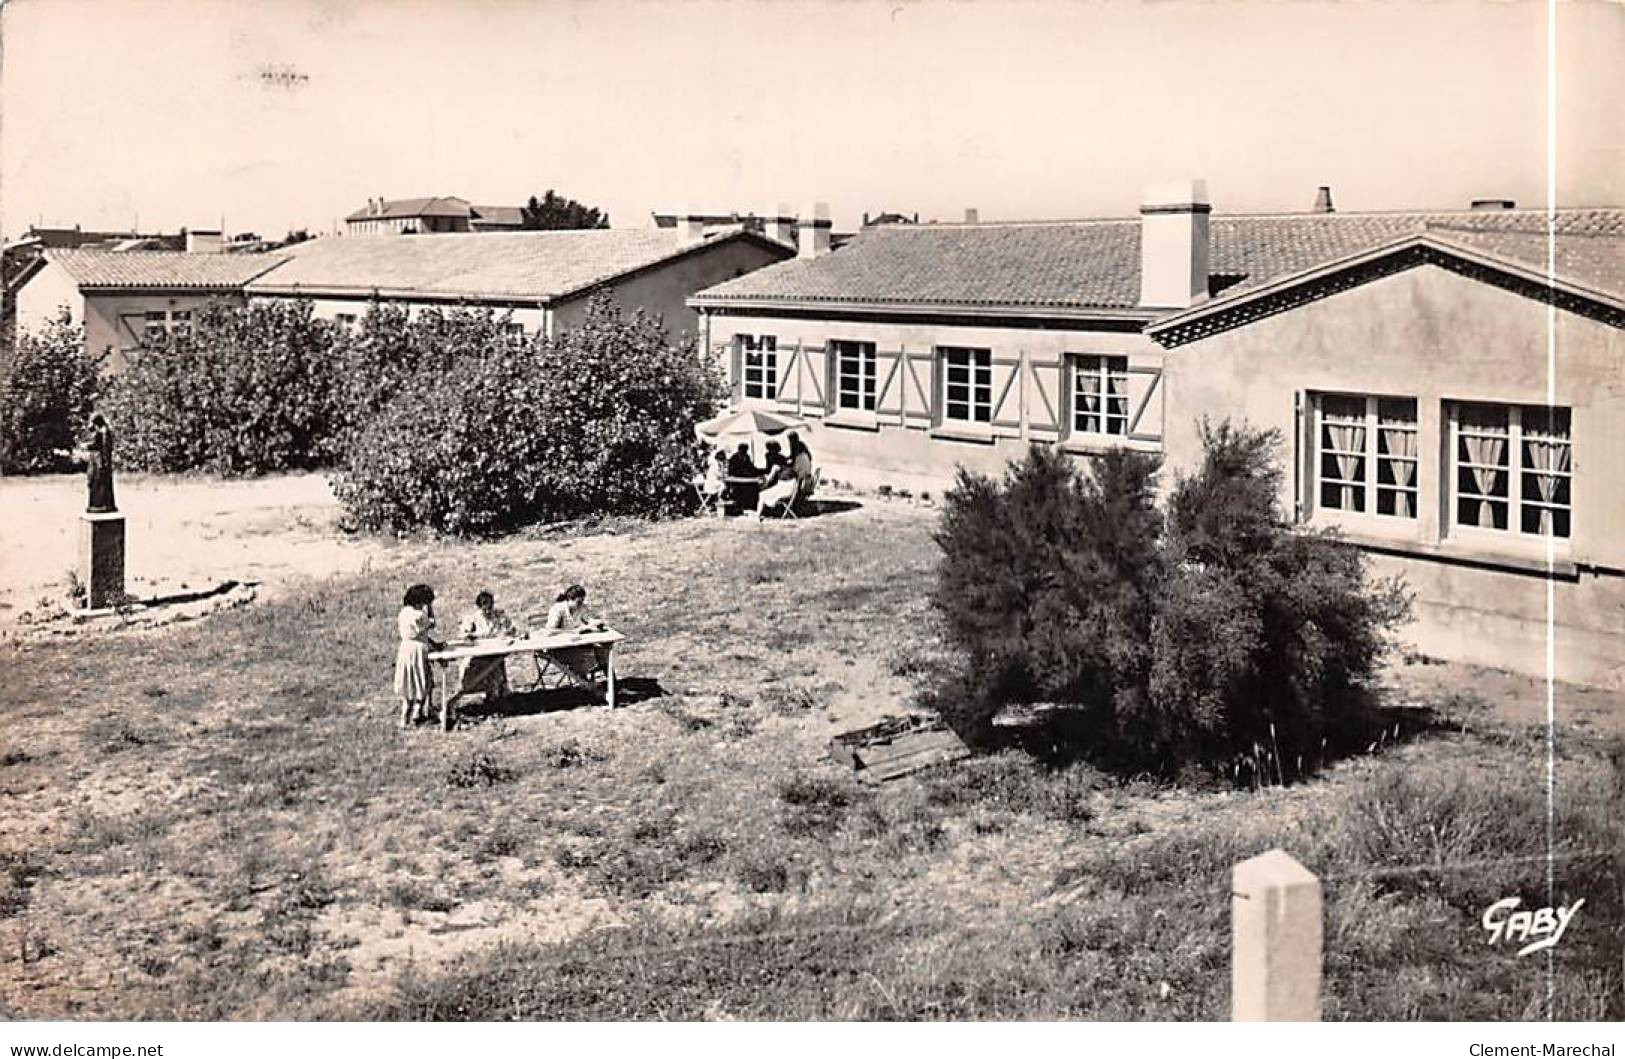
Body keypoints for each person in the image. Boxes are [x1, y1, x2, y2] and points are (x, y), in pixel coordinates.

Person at [394, 583, 445, 727]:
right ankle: (419, 712)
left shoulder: (403, 613)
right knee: (423, 680)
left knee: (408, 682)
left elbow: (419, 634)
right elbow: (432, 624)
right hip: (417, 650)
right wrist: (430, 608)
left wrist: (434, 644)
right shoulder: (419, 615)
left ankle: (405, 719)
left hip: (405, 649)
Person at [543, 584, 612, 685]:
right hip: (559, 648)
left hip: (576, 643)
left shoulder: (580, 607)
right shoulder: (558, 609)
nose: (581, 604)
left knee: (602, 652)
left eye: (582, 601)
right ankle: (587, 685)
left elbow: (587, 620)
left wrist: (595, 623)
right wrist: (575, 631)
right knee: (584, 657)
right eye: (579, 602)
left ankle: (613, 686)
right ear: (570, 599)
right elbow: (550, 631)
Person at [457, 589, 515, 704]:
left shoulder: (498, 615)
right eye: (485, 607)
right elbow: (463, 634)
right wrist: (473, 635)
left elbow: (510, 628)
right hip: (479, 652)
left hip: (496, 650)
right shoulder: (473, 618)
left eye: (490, 606)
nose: (488, 610)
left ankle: (497, 693)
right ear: (479, 607)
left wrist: (508, 630)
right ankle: (487, 693)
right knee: (479, 672)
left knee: (498, 663)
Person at [83, 413, 116, 514]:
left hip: (99, 462)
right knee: (95, 483)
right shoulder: (101, 431)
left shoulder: (104, 432)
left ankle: (101, 504)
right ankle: (98, 504)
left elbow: (104, 448)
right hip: (96, 461)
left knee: (99, 483)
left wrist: (104, 463)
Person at [788, 432, 816, 503]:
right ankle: (798, 495)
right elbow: (810, 456)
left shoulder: (794, 445)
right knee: (800, 479)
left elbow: (793, 456)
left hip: (800, 464)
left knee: (794, 477)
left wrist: (787, 462)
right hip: (806, 465)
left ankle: (795, 496)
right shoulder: (802, 444)